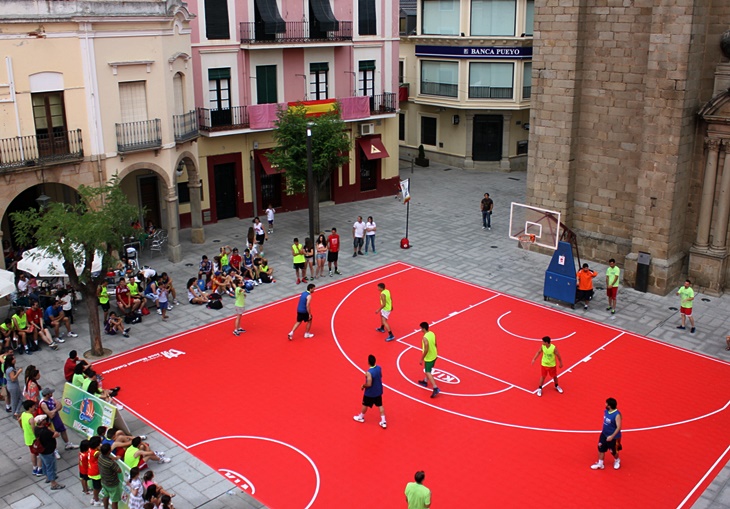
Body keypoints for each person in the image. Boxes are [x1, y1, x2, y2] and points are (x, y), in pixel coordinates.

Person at [353, 354, 387, 429]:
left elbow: (369, 384)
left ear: (368, 362)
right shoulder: (379, 368)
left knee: (365, 404)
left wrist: (363, 386)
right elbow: (380, 376)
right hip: (378, 391)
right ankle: (383, 421)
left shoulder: (369, 372)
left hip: (370, 393)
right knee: (380, 405)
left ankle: (361, 417)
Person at [34, 414, 65, 490]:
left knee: (45, 465)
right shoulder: (46, 432)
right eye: (44, 420)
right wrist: (51, 430)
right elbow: (57, 434)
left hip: (42, 451)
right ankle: (53, 484)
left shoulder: (36, 429)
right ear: (41, 422)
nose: (46, 421)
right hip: (48, 452)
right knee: (51, 467)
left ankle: (48, 477)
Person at [591, 397, 623, 470]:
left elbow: (619, 427)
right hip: (604, 434)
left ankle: (617, 460)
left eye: (606, 403)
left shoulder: (617, 415)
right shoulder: (606, 411)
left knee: (613, 451)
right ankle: (600, 463)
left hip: (613, 437)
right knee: (600, 447)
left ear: (609, 406)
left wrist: (612, 436)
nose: (605, 404)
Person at [417, 322, 440, 398]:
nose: (420, 329)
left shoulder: (425, 338)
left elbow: (426, 348)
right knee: (429, 369)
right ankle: (425, 381)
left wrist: (421, 358)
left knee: (427, 372)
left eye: (421, 328)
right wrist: (436, 352)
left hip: (429, 357)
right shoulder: (432, 333)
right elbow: (435, 343)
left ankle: (435, 387)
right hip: (434, 355)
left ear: (423, 329)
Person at [19, 400, 42, 476]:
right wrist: (38, 437)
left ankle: (34, 468)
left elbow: (19, 420)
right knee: (39, 454)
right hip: (34, 439)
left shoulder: (23, 414)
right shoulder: (31, 418)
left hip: (27, 437)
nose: (35, 407)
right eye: (33, 406)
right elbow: (34, 429)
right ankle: (39, 469)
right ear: (30, 407)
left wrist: (23, 427)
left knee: (32, 453)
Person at [98, 443, 123, 509]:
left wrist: (113, 458)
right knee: (115, 501)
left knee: (106, 496)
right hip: (113, 484)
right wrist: (114, 461)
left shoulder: (100, 456)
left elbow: (107, 458)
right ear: (109, 451)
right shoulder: (110, 463)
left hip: (104, 481)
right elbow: (119, 470)